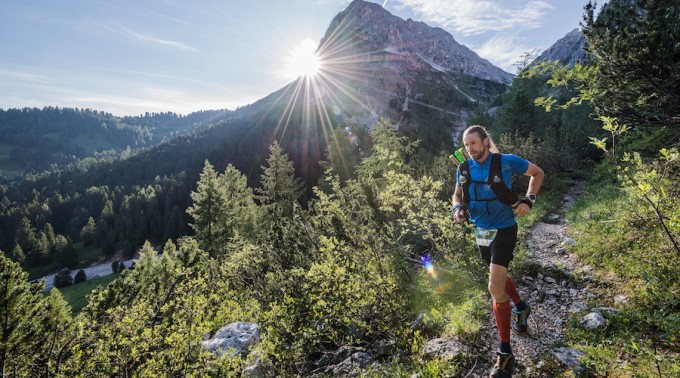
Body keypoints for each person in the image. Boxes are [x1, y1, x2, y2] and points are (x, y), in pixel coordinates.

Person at [451, 125, 544, 378]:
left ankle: (505, 353)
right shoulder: (463, 168)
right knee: (499, 279)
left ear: (485, 141)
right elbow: (457, 195)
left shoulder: (506, 161)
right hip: (481, 232)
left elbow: (537, 173)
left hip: (504, 229)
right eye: (466, 144)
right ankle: (521, 306)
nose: (470, 149)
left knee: (494, 287)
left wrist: (529, 200)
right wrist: (457, 209)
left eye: (474, 143)